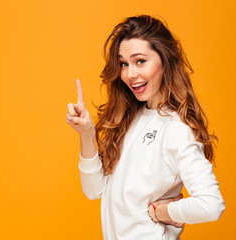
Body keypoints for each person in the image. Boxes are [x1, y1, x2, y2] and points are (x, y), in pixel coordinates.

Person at [66, 15, 225, 240]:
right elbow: (95, 191)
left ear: (165, 61)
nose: (130, 74)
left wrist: (162, 211)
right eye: (124, 64)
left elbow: (211, 205)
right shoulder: (129, 118)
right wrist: (87, 135)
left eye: (140, 61)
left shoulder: (176, 128)